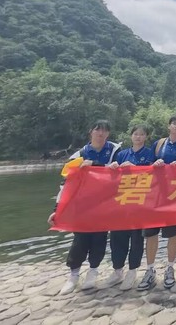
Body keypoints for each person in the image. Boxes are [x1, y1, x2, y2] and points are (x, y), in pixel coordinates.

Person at [47, 120, 121, 295]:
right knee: (80, 240)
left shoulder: (115, 151)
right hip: (83, 206)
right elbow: (66, 184)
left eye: (104, 131)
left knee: (99, 240)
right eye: (97, 130)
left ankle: (93, 272)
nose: (101, 134)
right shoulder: (78, 155)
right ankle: (73, 275)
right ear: (91, 132)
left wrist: (101, 166)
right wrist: (57, 209)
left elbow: (124, 174)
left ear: (108, 133)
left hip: (105, 205)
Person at [138, 115, 176, 291]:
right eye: (174, 123)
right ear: (169, 126)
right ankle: (150, 270)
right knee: (151, 233)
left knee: (173, 233)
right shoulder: (158, 144)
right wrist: (156, 163)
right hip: (155, 195)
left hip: (174, 196)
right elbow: (148, 166)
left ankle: (170, 268)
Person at [104, 124, 156, 290]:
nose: (138, 137)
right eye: (135, 134)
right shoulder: (122, 154)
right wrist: (114, 168)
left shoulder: (150, 153)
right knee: (117, 237)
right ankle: (117, 270)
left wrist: (136, 168)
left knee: (136, 238)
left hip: (140, 202)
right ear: (131, 136)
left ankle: (133, 271)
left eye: (142, 134)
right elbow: (112, 177)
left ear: (146, 137)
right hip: (122, 202)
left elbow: (154, 174)